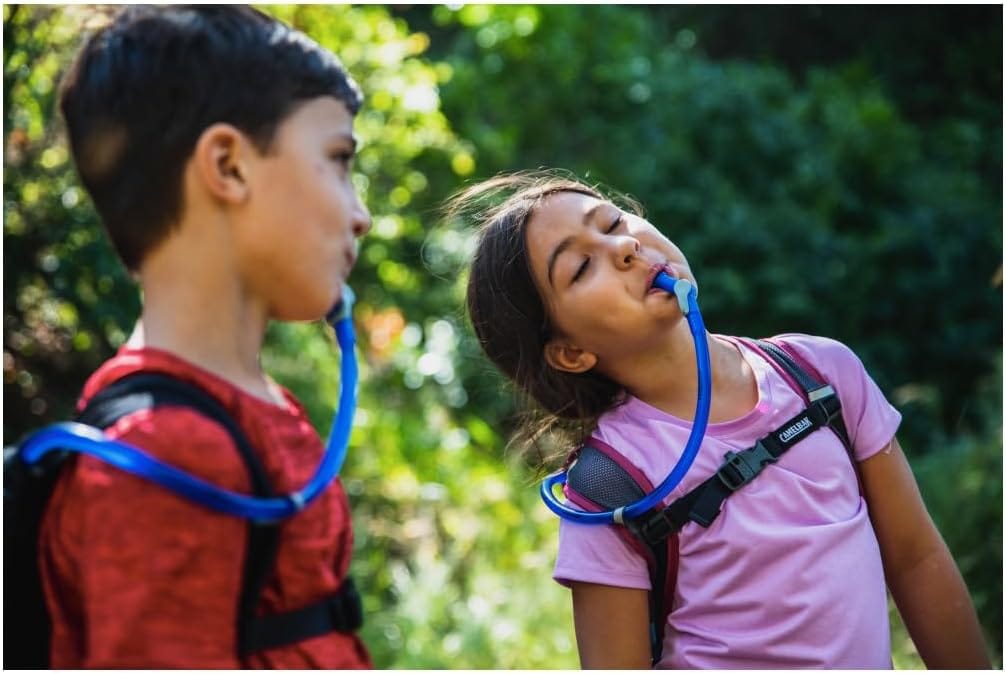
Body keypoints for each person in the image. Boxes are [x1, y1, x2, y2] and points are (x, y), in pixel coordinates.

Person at [451, 170, 991, 669]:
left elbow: (917, 561)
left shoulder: (822, 375)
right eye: (581, 267)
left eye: (613, 222)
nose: (623, 247)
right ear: (571, 353)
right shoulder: (609, 489)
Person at [41, 6, 372, 668]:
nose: (360, 214)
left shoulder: (246, 410)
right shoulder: (168, 451)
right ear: (228, 166)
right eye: (338, 160)